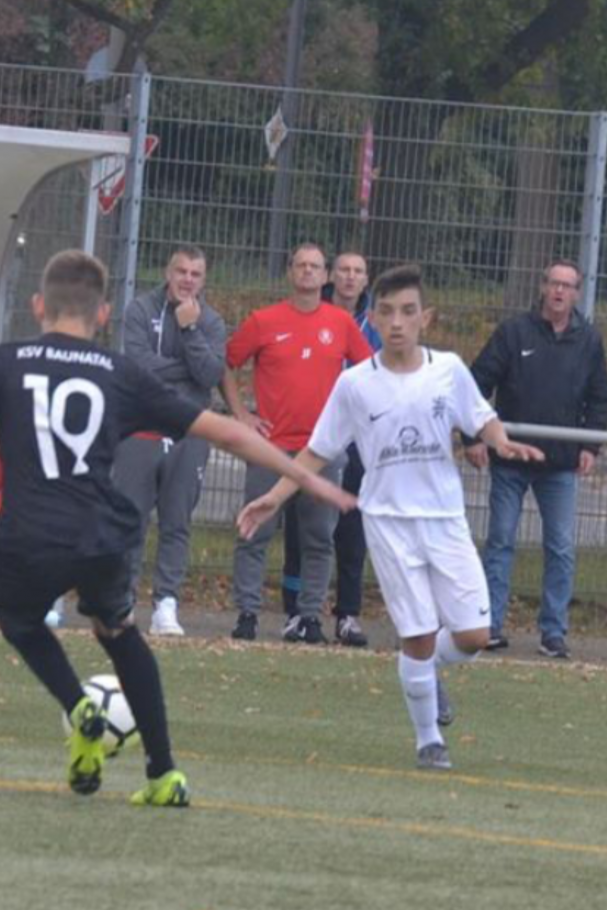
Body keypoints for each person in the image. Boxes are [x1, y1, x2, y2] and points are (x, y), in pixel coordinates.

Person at [0, 250, 356, 805]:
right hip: (102, 535)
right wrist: (307, 478)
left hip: (30, 534)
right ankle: (164, 775)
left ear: (39, 306)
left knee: (18, 618)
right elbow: (229, 432)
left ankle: (78, 705)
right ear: (103, 315)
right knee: (120, 634)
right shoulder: (119, 374)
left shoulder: (9, 363)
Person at [237, 264, 543, 770]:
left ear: (426, 317)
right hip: (388, 522)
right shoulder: (356, 384)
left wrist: (500, 440)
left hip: (445, 520)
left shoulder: (448, 369)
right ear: (374, 319)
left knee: (473, 637)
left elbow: (481, 417)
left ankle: (426, 670)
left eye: (407, 311)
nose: (397, 322)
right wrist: (275, 495)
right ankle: (428, 741)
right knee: (417, 636)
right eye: (387, 312)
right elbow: (317, 451)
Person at [222, 242, 372, 644]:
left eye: (315, 266)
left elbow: (370, 373)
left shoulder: (341, 323)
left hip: (322, 452)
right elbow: (226, 363)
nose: (307, 271)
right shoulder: (263, 320)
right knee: (254, 531)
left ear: (325, 276)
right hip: (269, 448)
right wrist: (240, 414)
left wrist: (353, 422)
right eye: (301, 265)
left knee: (319, 538)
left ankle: (309, 618)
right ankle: (248, 614)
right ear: (290, 272)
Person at [464, 259, 607, 658]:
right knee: (500, 541)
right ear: (543, 287)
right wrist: (473, 436)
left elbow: (599, 397)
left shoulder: (589, 342)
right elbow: (475, 385)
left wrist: (590, 447)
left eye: (567, 285)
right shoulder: (513, 333)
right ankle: (490, 625)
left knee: (560, 547)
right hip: (509, 459)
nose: (559, 291)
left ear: (577, 293)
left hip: (559, 465)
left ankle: (553, 633)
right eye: (554, 283)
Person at [113, 245, 226, 637]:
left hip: (189, 433)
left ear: (203, 279)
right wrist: (186, 369)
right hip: (140, 430)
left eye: (196, 274)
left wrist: (190, 330)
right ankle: (123, 601)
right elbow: (138, 367)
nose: (187, 280)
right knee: (131, 519)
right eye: (181, 271)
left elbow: (210, 374)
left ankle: (166, 604)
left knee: (177, 522)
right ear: (168, 272)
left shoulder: (211, 321)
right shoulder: (140, 310)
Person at [282, 250, 381, 647]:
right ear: (330, 276)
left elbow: (383, 373)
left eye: (358, 271)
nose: (350, 277)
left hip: (357, 441)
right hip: (314, 438)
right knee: (302, 526)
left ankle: (347, 614)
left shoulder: (377, 322)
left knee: (351, 526)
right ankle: (296, 610)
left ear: (366, 278)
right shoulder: (310, 313)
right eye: (343, 270)